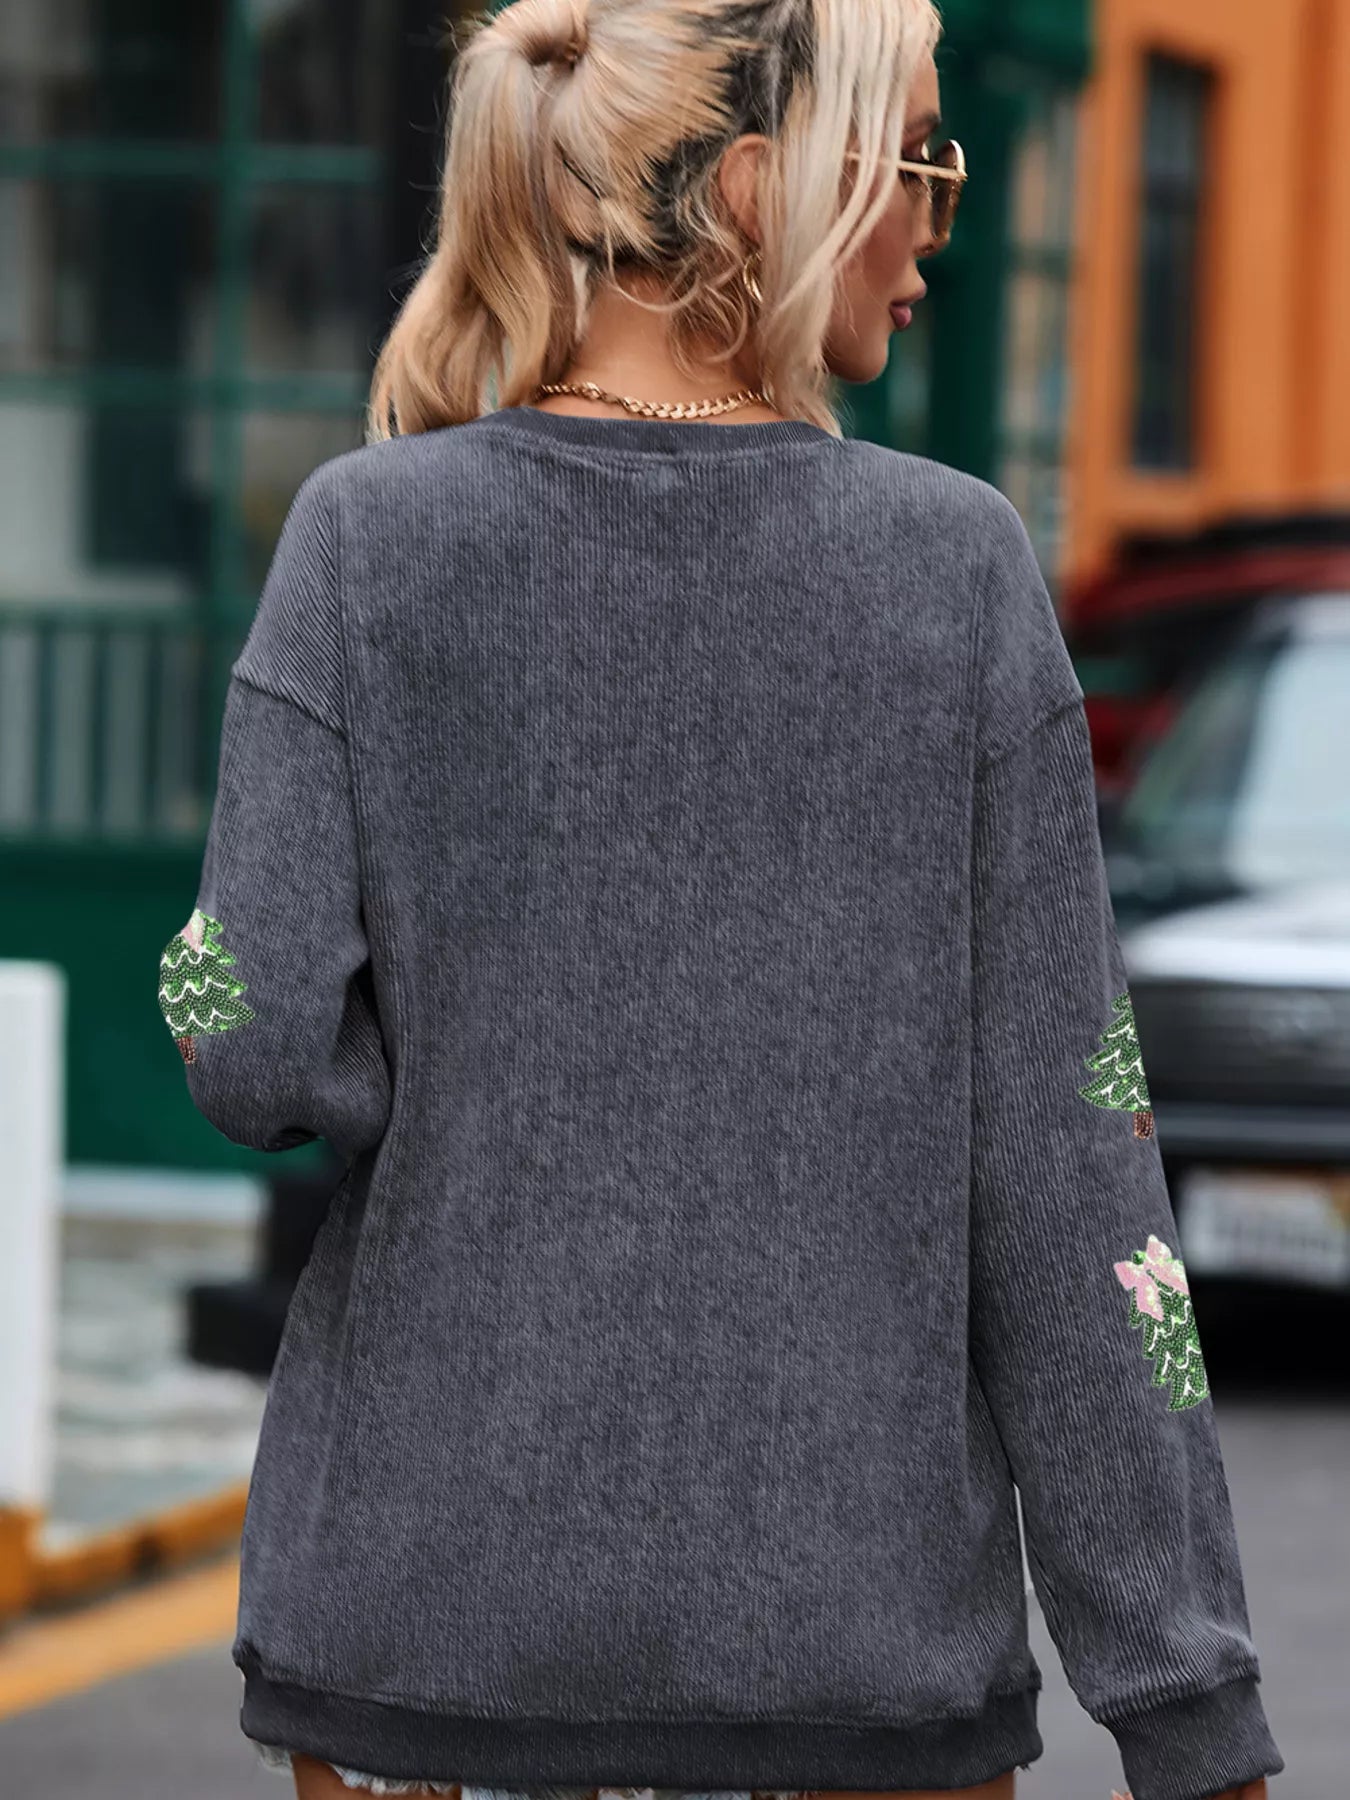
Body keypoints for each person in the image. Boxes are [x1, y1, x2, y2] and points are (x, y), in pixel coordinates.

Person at [158, 0, 1284, 1797]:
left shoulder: (367, 545)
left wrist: (397, 1056)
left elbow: (246, 1034)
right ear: (759, 190)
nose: (940, 218)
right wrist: (1183, 1705)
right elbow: (1078, 1179)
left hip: (421, 1648)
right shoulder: (956, 578)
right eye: (916, 157)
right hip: (863, 1671)